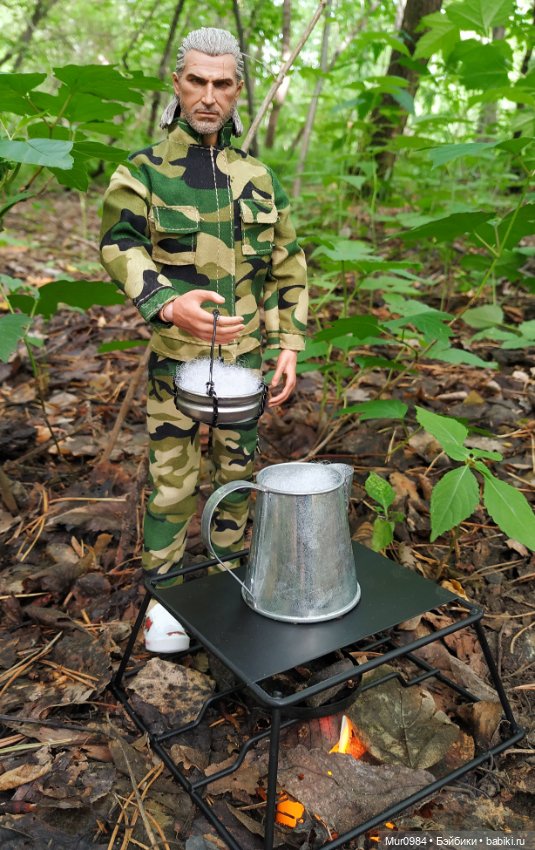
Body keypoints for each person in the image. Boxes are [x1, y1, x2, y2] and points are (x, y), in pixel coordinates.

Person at [100, 27, 308, 652]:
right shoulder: (143, 171)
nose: (209, 97)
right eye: (197, 81)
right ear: (178, 83)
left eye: (222, 84)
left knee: (237, 475)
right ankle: (165, 601)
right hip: (175, 366)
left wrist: (289, 343)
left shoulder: (257, 176)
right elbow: (118, 243)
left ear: (238, 89)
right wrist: (166, 302)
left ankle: (224, 588)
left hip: (245, 365)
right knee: (172, 483)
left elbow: (286, 264)